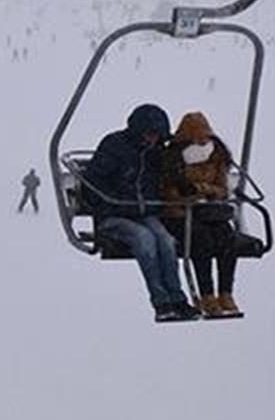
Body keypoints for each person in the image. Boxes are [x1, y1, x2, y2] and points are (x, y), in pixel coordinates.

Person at [83, 103, 200, 323]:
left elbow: (169, 172)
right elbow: (92, 182)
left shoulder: (155, 152)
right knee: (144, 239)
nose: (153, 139)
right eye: (149, 134)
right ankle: (161, 302)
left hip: (143, 213)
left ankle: (177, 299)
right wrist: (111, 203)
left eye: (157, 136)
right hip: (113, 215)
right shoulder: (114, 146)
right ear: (138, 130)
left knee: (166, 241)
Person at [160, 111, 243, 319]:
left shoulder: (216, 156)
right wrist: (190, 196)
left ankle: (226, 292)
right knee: (201, 240)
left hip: (208, 212)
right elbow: (169, 192)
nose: (203, 142)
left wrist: (201, 189)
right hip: (180, 215)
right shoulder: (173, 160)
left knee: (227, 239)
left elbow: (222, 189)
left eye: (205, 137)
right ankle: (206, 294)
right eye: (198, 138)